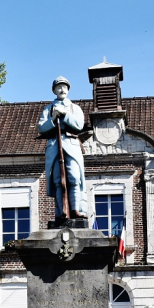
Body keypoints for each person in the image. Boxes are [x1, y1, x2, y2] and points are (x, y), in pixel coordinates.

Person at [38, 76, 87, 220]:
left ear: (68, 89)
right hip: (54, 145)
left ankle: (75, 209)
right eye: (58, 87)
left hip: (71, 144)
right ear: (54, 90)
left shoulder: (75, 108)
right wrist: (53, 118)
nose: (62, 89)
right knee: (58, 180)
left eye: (64, 87)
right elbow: (41, 128)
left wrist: (65, 114)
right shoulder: (48, 109)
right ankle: (61, 212)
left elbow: (79, 125)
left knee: (74, 177)